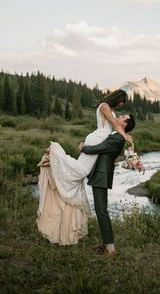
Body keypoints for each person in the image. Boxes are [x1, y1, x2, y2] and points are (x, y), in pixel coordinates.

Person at [37, 89, 133, 245]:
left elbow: (115, 125)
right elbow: (115, 123)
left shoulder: (109, 108)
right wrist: (125, 135)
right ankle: (54, 153)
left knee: (80, 169)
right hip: (98, 139)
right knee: (80, 170)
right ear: (117, 99)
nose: (122, 106)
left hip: (98, 140)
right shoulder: (104, 106)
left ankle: (53, 163)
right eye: (122, 102)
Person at [80, 114, 135, 257]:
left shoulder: (117, 138)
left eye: (123, 117)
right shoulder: (116, 134)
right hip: (100, 174)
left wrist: (83, 148)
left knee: (101, 210)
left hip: (101, 175)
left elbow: (98, 148)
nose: (120, 116)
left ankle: (111, 249)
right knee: (100, 210)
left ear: (125, 124)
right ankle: (106, 244)